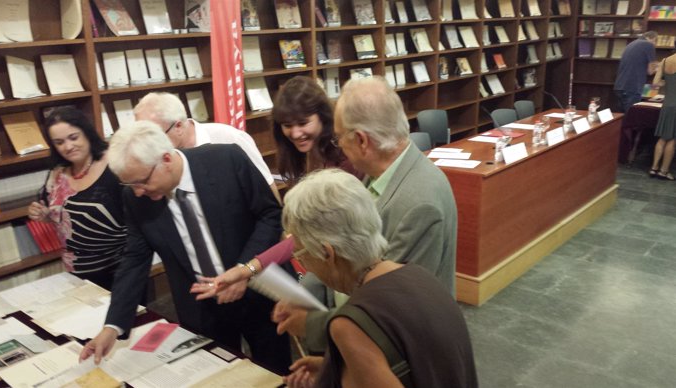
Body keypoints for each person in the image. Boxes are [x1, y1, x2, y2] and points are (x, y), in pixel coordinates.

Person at [196, 76, 458, 353]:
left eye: (339, 136)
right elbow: (342, 252)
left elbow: (388, 308)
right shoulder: (379, 177)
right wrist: (296, 293)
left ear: (361, 140)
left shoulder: (418, 203)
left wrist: (312, 325)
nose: (338, 144)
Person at [79, 121, 290, 373]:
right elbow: (135, 258)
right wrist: (112, 327)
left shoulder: (227, 159)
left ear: (166, 159)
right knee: (219, 375)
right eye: (129, 185)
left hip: (260, 291)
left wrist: (244, 272)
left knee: (274, 371)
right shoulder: (137, 198)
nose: (137, 192)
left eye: (141, 182)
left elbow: (269, 215)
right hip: (203, 305)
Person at [278, 169, 477, 388]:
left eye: (301, 255)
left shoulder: (349, 324)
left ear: (327, 253)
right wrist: (334, 368)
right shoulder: (419, 276)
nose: (306, 267)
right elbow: (421, 361)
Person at [27, 108, 125, 291]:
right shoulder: (57, 173)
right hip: (75, 272)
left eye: (73, 137)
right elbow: (60, 215)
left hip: (118, 271)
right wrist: (44, 214)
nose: (68, 147)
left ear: (87, 133)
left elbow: (136, 220)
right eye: (59, 142)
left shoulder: (114, 166)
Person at [133, 92, 282, 204]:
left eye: (154, 136)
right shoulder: (154, 159)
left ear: (178, 126)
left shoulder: (229, 138)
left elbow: (267, 187)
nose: (149, 144)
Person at [614, 31, 659, 113]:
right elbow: (650, 71)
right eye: (655, 43)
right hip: (633, 87)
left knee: (620, 118)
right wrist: (660, 68)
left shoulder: (631, 44)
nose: (655, 46)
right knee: (631, 118)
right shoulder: (649, 45)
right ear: (653, 39)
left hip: (619, 86)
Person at [649, 54, 676, 180]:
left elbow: (655, 83)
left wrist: (668, 82)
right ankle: (664, 171)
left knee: (662, 138)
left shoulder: (665, 60)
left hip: (667, 104)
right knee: (672, 140)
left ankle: (654, 168)